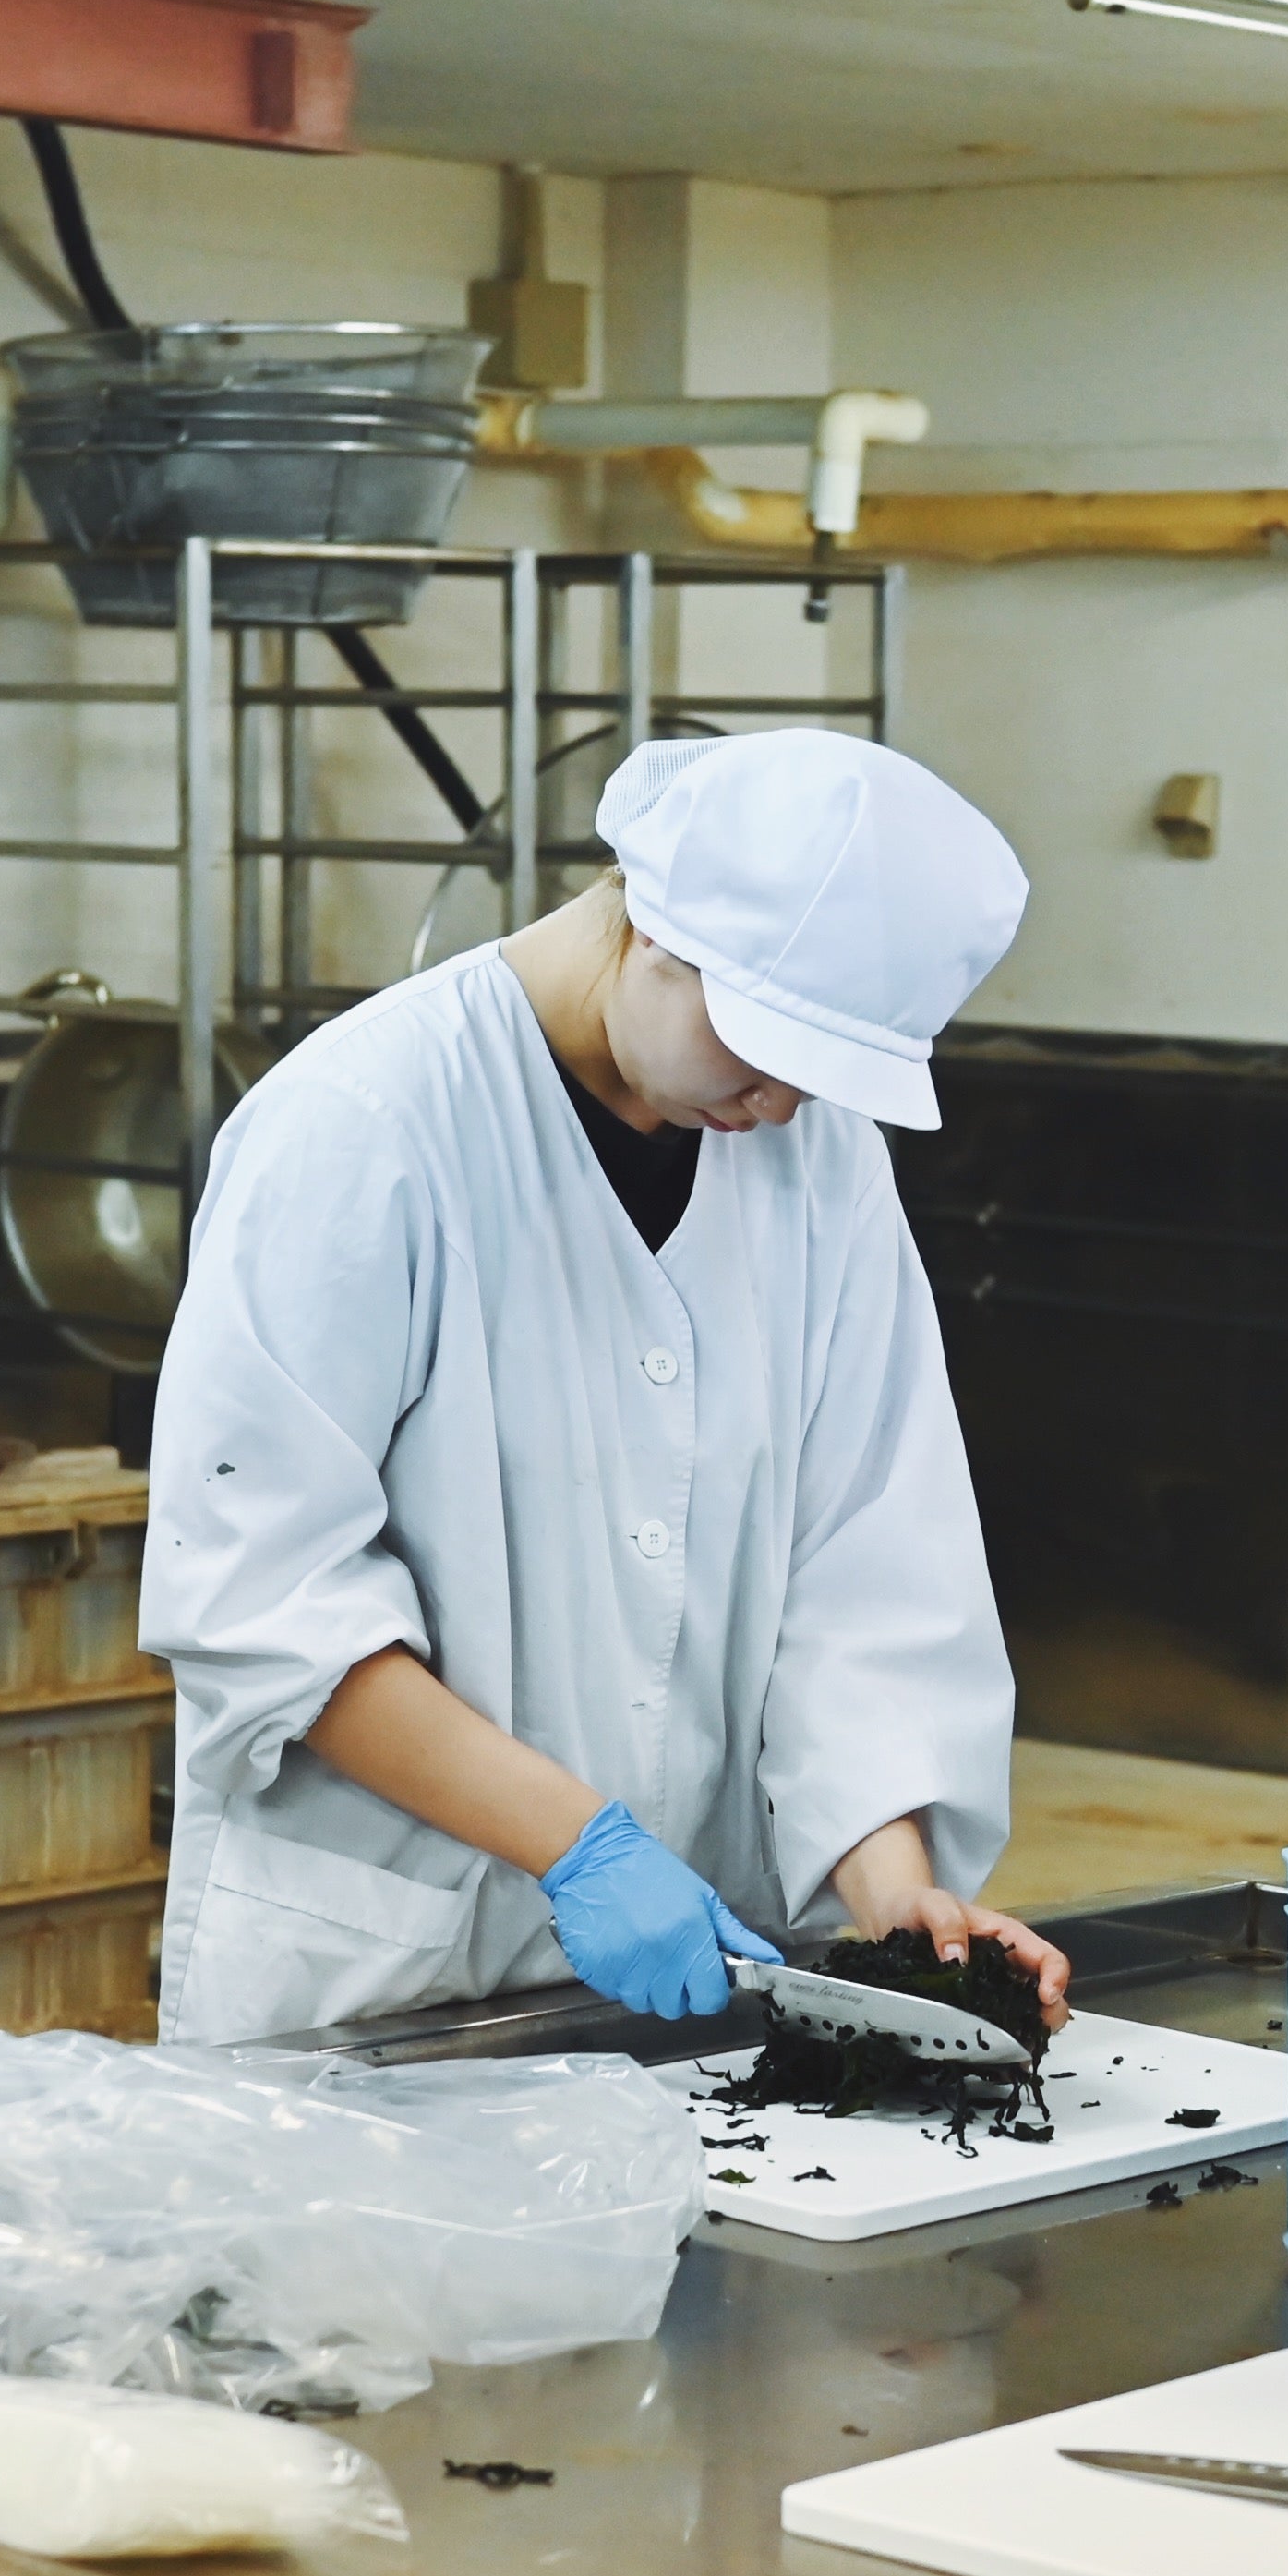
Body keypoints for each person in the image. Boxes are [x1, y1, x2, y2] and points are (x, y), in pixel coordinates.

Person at [144, 726, 1065, 2044]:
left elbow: (863, 1561)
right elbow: (258, 1597)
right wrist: (578, 1844)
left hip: (706, 1966)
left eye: (823, 1074)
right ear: (653, 929)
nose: (783, 1108)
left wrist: (895, 1892)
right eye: (759, 1049)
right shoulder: (363, 1125)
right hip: (390, 1974)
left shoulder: (814, 1158)